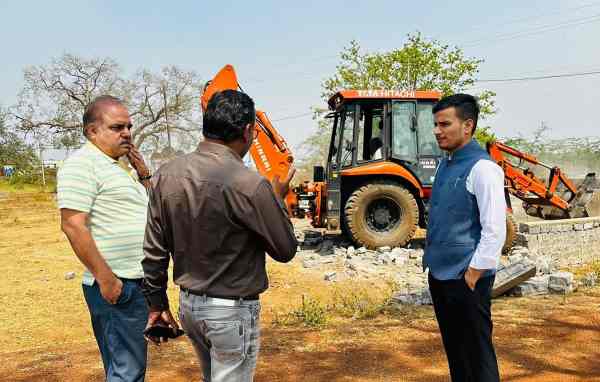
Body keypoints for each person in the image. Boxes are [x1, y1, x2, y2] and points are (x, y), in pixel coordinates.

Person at [141, 89, 298, 382]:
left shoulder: (166, 175)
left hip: (189, 306)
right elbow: (285, 249)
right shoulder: (250, 185)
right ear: (249, 130)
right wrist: (277, 199)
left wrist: (156, 303)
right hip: (230, 313)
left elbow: (154, 250)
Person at [58, 95, 154, 381]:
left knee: (127, 369)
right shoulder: (82, 165)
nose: (126, 133)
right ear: (92, 131)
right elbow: (73, 225)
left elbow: (152, 209)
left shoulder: (117, 167)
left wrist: (144, 175)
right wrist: (107, 279)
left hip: (135, 282)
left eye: (129, 127)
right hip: (117, 284)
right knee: (127, 372)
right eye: (117, 127)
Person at [423, 93, 506, 381]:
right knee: (456, 353)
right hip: (441, 275)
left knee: (477, 354)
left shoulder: (484, 169)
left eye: (445, 124)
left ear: (468, 126)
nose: (437, 130)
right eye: (436, 124)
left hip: (467, 278)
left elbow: (495, 228)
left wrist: (474, 273)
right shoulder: (446, 164)